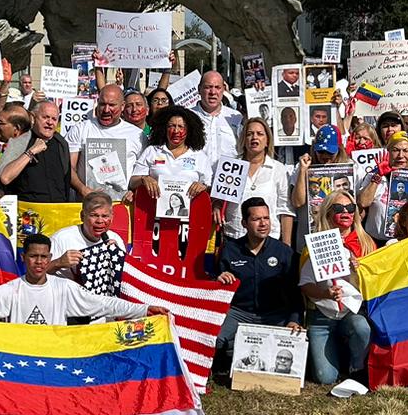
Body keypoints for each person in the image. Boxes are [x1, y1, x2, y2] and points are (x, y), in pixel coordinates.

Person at [0, 234, 153, 325]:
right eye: (33, 256)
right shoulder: (10, 290)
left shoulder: (65, 288)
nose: (39, 262)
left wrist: (144, 309)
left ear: (50, 258)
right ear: (23, 258)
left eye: (43, 257)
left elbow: (105, 304)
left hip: (55, 361)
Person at [214, 198, 300, 373]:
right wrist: (219, 277)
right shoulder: (230, 250)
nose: (263, 224)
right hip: (239, 312)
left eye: (266, 218)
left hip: (274, 315)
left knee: (289, 346)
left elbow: (295, 292)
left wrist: (293, 320)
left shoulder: (283, 252)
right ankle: (229, 350)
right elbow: (216, 287)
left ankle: (234, 350)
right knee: (214, 338)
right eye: (256, 219)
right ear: (244, 223)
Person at [298, 189, 374, 388]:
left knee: (361, 327)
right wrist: (325, 293)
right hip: (321, 317)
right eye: (339, 208)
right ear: (328, 213)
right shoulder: (314, 245)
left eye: (350, 208)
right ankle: (337, 351)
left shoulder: (366, 243)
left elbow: (376, 283)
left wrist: (361, 271)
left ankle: (356, 367)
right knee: (326, 378)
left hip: (352, 313)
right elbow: (305, 285)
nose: (346, 212)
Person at [71, 84, 143, 199]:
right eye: (102, 104)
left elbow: (143, 172)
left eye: (112, 105)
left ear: (122, 106)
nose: (106, 110)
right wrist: (82, 189)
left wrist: (135, 191)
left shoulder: (137, 135)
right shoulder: (81, 129)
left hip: (122, 205)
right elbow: (69, 167)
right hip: (88, 205)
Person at [50, 192, 129, 296]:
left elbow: (125, 279)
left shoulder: (115, 239)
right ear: (82, 216)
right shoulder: (61, 238)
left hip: (103, 301)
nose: (100, 221)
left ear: (112, 217)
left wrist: (118, 257)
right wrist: (58, 263)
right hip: (68, 298)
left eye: (105, 216)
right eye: (94, 215)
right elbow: (34, 274)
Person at [131, 106, 212, 200]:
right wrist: (144, 179)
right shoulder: (152, 151)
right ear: (164, 128)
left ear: (189, 130)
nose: (176, 131)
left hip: (190, 212)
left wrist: (202, 187)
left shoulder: (199, 156)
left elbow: (208, 186)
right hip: (152, 211)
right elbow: (132, 183)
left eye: (181, 126)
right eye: (171, 126)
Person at [0, 101, 75, 203]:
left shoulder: (61, 144)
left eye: (54, 119)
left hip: (57, 212)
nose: (50, 122)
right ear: (33, 117)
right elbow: (5, 178)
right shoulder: (20, 141)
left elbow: (66, 181)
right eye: (45, 117)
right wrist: (31, 152)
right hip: (28, 213)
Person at [192, 71, 243, 164]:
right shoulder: (187, 117)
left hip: (229, 177)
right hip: (197, 177)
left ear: (223, 89)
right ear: (199, 89)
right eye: (208, 87)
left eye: (217, 87)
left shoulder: (237, 117)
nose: (213, 92)